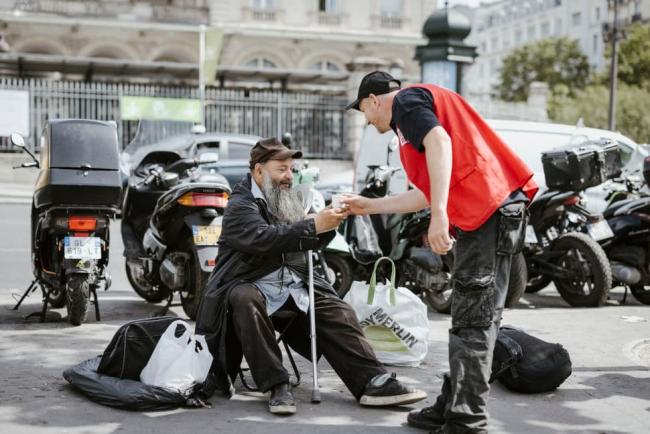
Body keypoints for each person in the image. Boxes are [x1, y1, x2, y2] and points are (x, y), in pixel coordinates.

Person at [342, 71, 538, 433]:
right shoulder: (412, 116)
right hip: (494, 210)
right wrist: (367, 206)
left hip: (487, 213)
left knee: (472, 319)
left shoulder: (406, 103)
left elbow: (439, 142)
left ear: (373, 100)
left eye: (364, 113)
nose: (368, 122)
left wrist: (440, 215)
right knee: (478, 316)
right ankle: (454, 404)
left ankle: (467, 420)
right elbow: (426, 191)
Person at [194, 137, 426, 415]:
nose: (288, 176)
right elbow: (262, 239)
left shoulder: (286, 196)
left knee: (337, 309)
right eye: (281, 169)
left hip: (291, 283)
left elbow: (308, 241)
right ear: (258, 171)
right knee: (245, 298)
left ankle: (372, 381)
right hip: (247, 281)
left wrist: (329, 222)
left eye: (291, 169)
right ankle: (277, 384)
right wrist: (313, 225)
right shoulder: (240, 204)